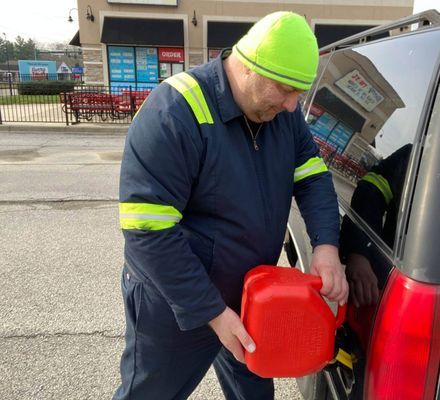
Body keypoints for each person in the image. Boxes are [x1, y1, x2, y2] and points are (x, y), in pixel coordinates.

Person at [114, 11, 348, 400]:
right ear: (250, 68)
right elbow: (147, 230)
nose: (293, 107)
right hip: (175, 304)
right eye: (286, 90)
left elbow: (313, 178)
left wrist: (326, 245)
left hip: (251, 296)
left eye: (299, 94)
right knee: (148, 393)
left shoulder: (282, 117)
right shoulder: (175, 111)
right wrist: (213, 313)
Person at [339, 144, 412, 307]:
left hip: (417, 293)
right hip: (378, 283)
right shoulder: (416, 158)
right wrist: (359, 253)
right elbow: (370, 192)